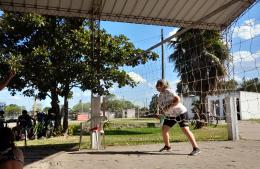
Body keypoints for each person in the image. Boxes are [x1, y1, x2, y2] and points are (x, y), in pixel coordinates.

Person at [156, 79, 201, 156]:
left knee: (185, 129)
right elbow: (163, 109)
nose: (158, 86)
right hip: (171, 115)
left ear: (164, 85)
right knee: (164, 129)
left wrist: (168, 106)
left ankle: (196, 148)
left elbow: (178, 99)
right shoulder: (159, 96)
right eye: (157, 85)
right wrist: (160, 114)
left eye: (160, 85)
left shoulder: (169, 91)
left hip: (181, 113)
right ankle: (167, 146)